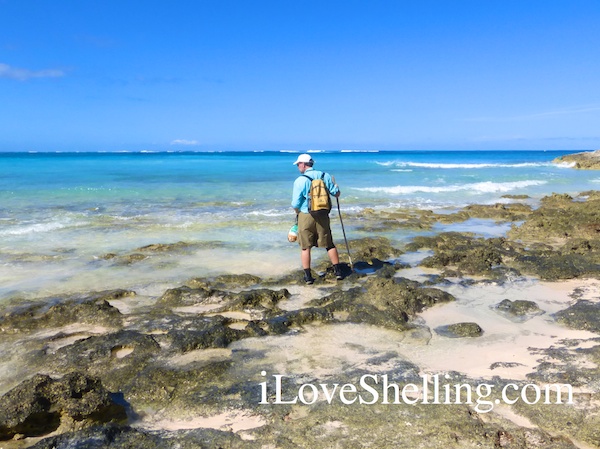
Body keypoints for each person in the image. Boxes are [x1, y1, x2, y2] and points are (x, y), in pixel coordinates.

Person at [291, 153, 344, 284]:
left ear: (303, 164)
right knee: (329, 244)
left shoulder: (300, 180)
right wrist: (336, 187)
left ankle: (308, 277)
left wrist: (297, 214)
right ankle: (338, 271)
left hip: (305, 215)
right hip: (322, 214)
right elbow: (336, 193)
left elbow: (295, 204)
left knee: (305, 247)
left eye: (298, 164)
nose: (298, 166)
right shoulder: (324, 176)